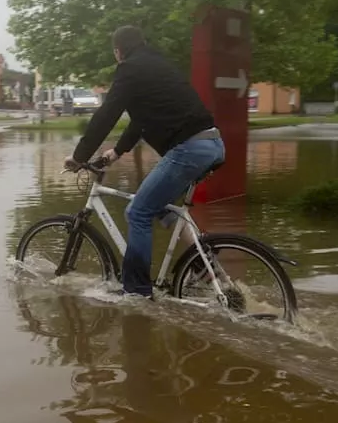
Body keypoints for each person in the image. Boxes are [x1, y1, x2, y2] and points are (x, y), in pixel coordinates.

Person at [65, 26, 224, 298]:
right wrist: (114, 153)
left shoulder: (129, 69)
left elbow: (106, 115)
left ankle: (137, 292)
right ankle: (204, 266)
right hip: (213, 144)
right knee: (158, 205)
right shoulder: (159, 65)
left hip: (189, 149)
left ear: (118, 52)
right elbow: (140, 121)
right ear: (143, 43)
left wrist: (79, 157)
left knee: (137, 212)